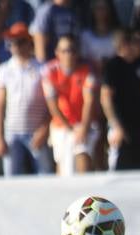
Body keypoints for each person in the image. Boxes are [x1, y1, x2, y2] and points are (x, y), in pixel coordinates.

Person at [0, 21, 53, 175]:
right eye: (12, 42)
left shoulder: (42, 68)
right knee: (11, 179)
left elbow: (51, 103)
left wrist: (44, 129)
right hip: (11, 133)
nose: (16, 46)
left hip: (36, 131)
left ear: (29, 43)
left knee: (45, 176)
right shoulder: (4, 69)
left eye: (20, 42)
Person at [42, 33, 100, 175]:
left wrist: (83, 128)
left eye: (72, 50)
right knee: (63, 164)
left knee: (82, 156)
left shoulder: (87, 71)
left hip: (84, 124)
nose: (69, 54)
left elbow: (89, 101)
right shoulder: (49, 71)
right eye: (64, 50)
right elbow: (53, 105)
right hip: (61, 125)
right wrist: (69, 128)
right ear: (57, 53)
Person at [100, 27, 140, 170]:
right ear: (125, 44)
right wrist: (116, 126)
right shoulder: (113, 66)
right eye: (135, 42)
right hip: (121, 124)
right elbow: (106, 99)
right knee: (120, 166)